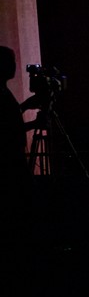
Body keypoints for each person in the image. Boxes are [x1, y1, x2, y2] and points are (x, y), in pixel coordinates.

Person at [0, 46, 37, 207]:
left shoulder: (4, 90)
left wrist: (25, 106)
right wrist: (34, 124)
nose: (14, 65)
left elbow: (8, 118)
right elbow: (8, 130)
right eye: (10, 61)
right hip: (10, 160)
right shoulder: (2, 93)